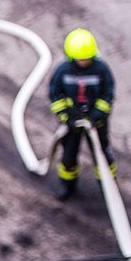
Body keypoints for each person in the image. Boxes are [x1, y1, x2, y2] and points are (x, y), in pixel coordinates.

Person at [48, 28, 116, 200]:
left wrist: (96, 116)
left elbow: (107, 94)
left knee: (102, 155)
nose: (84, 61)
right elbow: (55, 95)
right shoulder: (63, 71)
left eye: (87, 58)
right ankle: (67, 185)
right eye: (80, 58)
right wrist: (66, 116)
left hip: (96, 123)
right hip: (72, 124)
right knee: (69, 156)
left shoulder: (101, 69)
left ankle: (108, 187)